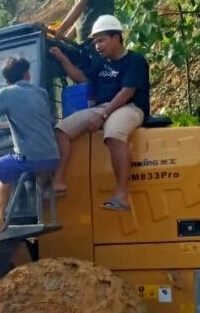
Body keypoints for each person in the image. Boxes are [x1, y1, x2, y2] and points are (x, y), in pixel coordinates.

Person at [50, 14, 150, 211]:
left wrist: (103, 115)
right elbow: (83, 79)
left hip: (129, 106)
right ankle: (59, 181)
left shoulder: (135, 60)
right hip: (102, 107)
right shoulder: (100, 64)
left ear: (117, 37)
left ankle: (121, 194)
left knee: (113, 133)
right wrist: (63, 60)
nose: (97, 46)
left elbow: (127, 92)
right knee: (61, 129)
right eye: (95, 42)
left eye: (101, 40)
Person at [0, 57, 60, 243]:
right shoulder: (41, 92)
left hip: (29, 159)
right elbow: (37, 120)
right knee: (5, 170)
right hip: (52, 157)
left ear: (6, 80)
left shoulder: (5, 93)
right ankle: (1, 216)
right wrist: (1, 124)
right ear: (27, 74)